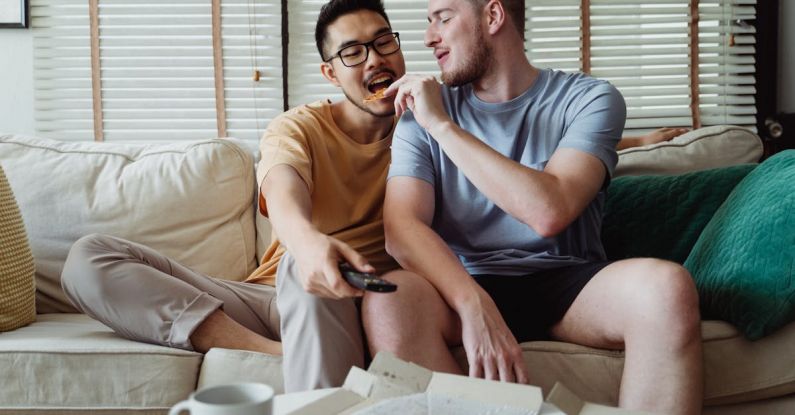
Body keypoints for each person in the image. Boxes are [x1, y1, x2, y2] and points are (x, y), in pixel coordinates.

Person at [361, 1, 703, 414]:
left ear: (493, 16)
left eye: (444, 18)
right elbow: (401, 229)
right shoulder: (419, 117)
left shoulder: (589, 99)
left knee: (666, 289)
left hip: (568, 281)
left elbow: (550, 210)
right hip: (466, 282)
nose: (429, 37)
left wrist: (443, 127)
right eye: (429, 21)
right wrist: (473, 303)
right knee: (387, 300)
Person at [61, 0, 406, 393]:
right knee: (88, 259)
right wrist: (309, 247)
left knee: (308, 276)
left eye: (383, 43)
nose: (374, 59)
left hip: (364, 300)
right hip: (273, 297)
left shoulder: (429, 125)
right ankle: (279, 351)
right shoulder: (299, 127)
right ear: (330, 72)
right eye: (353, 52)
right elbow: (281, 190)